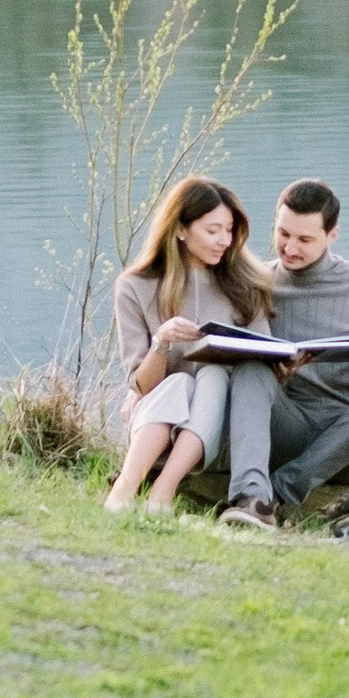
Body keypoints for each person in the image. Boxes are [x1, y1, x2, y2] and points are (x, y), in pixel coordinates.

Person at [216, 177, 349, 531]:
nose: (290, 248)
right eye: (283, 234)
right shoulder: (259, 282)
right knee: (250, 370)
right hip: (291, 427)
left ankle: (277, 493)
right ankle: (250, 498)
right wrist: (277, 373)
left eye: (305, 239)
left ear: (332, 235)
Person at [106, 174, 273, 515]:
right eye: (213, 230)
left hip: (218, 434)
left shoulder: (245, 284)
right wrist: (161, 343)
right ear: (180, 229)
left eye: (229, 230)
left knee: (212, 374)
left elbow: (265, 357)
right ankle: (129, 486)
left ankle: (160, 491)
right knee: (179, 381)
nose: (224, 240)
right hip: (155, 425)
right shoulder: (135, 286)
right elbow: (141, 384)